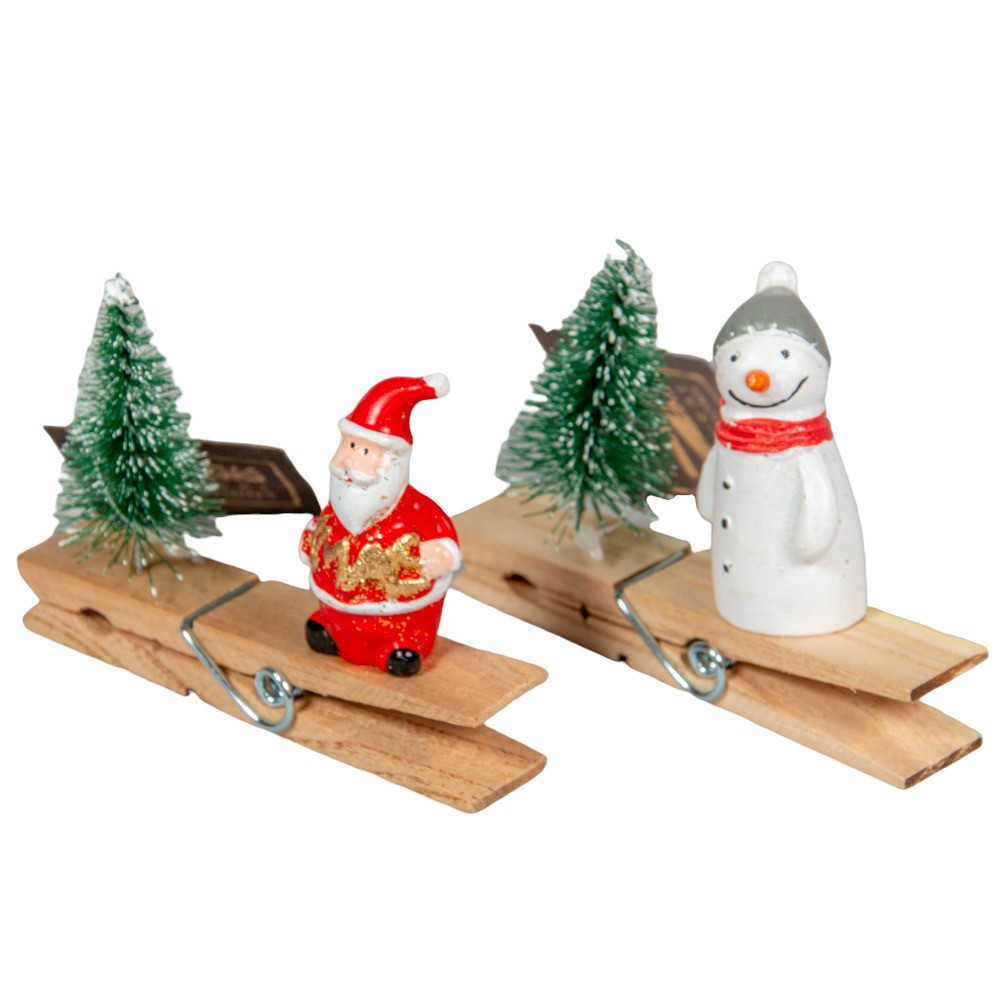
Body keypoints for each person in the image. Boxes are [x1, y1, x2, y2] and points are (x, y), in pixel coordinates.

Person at [300, 374, 461, 675]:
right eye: (348, 446)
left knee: (401, 640)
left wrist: (444, 554)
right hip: (337, 603)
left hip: (400, 618)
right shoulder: (337, 510)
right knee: (332, 622)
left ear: (392, 462)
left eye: (363, 451)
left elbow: (442, 535)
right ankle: (334, 631)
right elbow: (323, 529)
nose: (347, 464)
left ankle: (401, 646)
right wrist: (311, 538)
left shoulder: (417, 511)